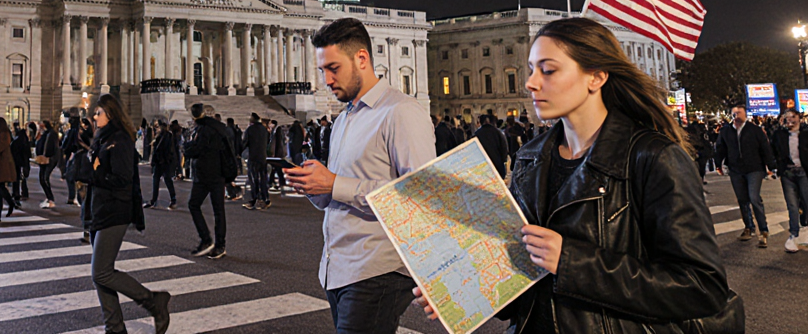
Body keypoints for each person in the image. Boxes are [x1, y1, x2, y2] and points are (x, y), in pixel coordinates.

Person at [415, 17, 731, 332]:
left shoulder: (653, 157)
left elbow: (702, 287)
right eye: (531, 69)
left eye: (548, 70)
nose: (531, 82)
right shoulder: (530, 158)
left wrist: (571, 262)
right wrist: (463, 290)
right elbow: (524, 278)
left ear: (596, 77)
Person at [285, 18, 434, 334]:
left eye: (333, 68)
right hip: (338, 267)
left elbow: (421, 198)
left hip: (378, 269)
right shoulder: (342, 120)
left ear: (362, 59)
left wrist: (336, 183)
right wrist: (315, 187)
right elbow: (335, 197)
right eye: (322, 70)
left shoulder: (401, 111)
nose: (326, 79)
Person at [83, 94, 171, 334]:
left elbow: (122, 178)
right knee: (101, 274)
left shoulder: (119, 139)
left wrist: (94, 174)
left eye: (98, 112)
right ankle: (114, 328)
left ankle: (153, 301)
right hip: (99, 209)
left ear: (110, 113)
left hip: (115, 210)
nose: (94, 117)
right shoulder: (102, 138)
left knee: (101, 271)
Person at [715, 103, 776, 248]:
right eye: (734, 113)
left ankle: (763, 230)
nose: (737, 115)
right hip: (736, 169)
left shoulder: (755, 130)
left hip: (754, 168)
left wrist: (771, 166)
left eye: (740, 112)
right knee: (742, 199)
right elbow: (720, 148)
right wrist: (718, 164)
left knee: (754, 198)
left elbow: (765, 148)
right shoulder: (726, 131)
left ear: (745, 114)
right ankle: (748, 227)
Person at [181, 103, 232, 259]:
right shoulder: (219, 128)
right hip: (218, 174)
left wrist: (186, 147)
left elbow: (197, 150)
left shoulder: (204, 130)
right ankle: (219, 244)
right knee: (218, 210)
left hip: (206, 175)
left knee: (194, 205)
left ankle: (207, 239)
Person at [773, 110, 808, 252]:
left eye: (793, 117)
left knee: (806, 201)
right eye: (787, 118)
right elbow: (773, 150)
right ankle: (794, 234)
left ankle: (805, 226)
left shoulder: (806, 134)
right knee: (792, 205)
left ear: (799, 118)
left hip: (804, 172)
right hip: (787, 173)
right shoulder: (779, 135)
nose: (790, 120)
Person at [144, 118, 177, 209]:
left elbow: (169, 150)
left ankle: (172, 200)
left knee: (166, 180)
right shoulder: (160, 135)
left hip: (164, 162)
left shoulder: (167, 136)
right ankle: (154, 200)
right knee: (158, 181)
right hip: (160, 161)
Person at [241, 113, 270, 210]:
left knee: (254, 179)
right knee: (263, 178)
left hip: (253, 157)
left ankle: (254, 199)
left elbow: (245, 142)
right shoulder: (264, 129)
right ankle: (265, 198)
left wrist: (239, 152)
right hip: (263, 157)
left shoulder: (250, 129)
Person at [36, 119, 60, 208]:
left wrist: (46, 156)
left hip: (49, 159)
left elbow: (51, 146)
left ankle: (51, 199)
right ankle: (49, 197)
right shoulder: (45, 133)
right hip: (44, 158)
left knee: (45, 178)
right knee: (42, 178)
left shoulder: (51, 133)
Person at [11, 126, 32, 203]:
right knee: (23, 179)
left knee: (16, 179)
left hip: (17, 162)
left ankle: (16, 193)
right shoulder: (25, 142)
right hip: (24, 162)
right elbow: (29, 154)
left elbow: (12, 151)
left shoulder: (16, 141)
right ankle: (24, 193)